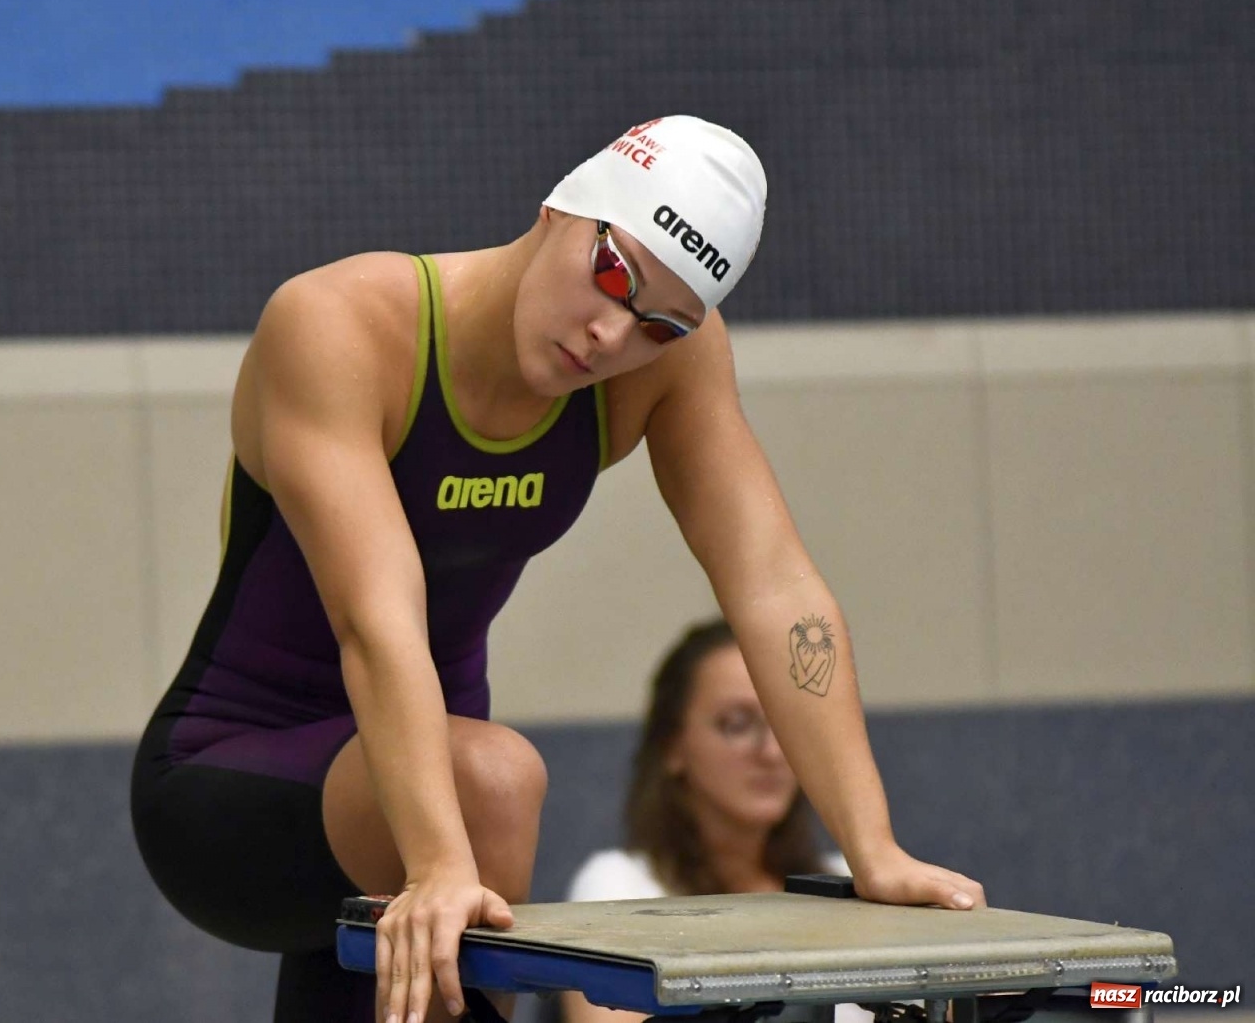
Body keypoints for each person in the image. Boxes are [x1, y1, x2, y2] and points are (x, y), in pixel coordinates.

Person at [129, 115, 985, 1023]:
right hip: (228, 781)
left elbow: (773, 587)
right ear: (557, 209)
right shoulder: (345, 325)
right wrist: (439, 862)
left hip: (431, 792)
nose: (612, 334)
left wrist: (874, 848)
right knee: (493, 783)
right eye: (611, 273)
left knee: (444, 880)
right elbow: (376, 619)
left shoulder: (668, 365)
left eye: (659, 322)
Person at [560, 618, 867, 1023]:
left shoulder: (846, 882)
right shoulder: (618, 890)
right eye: (737, 724)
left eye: (785, 724)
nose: (772, 752)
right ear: (673, 746)